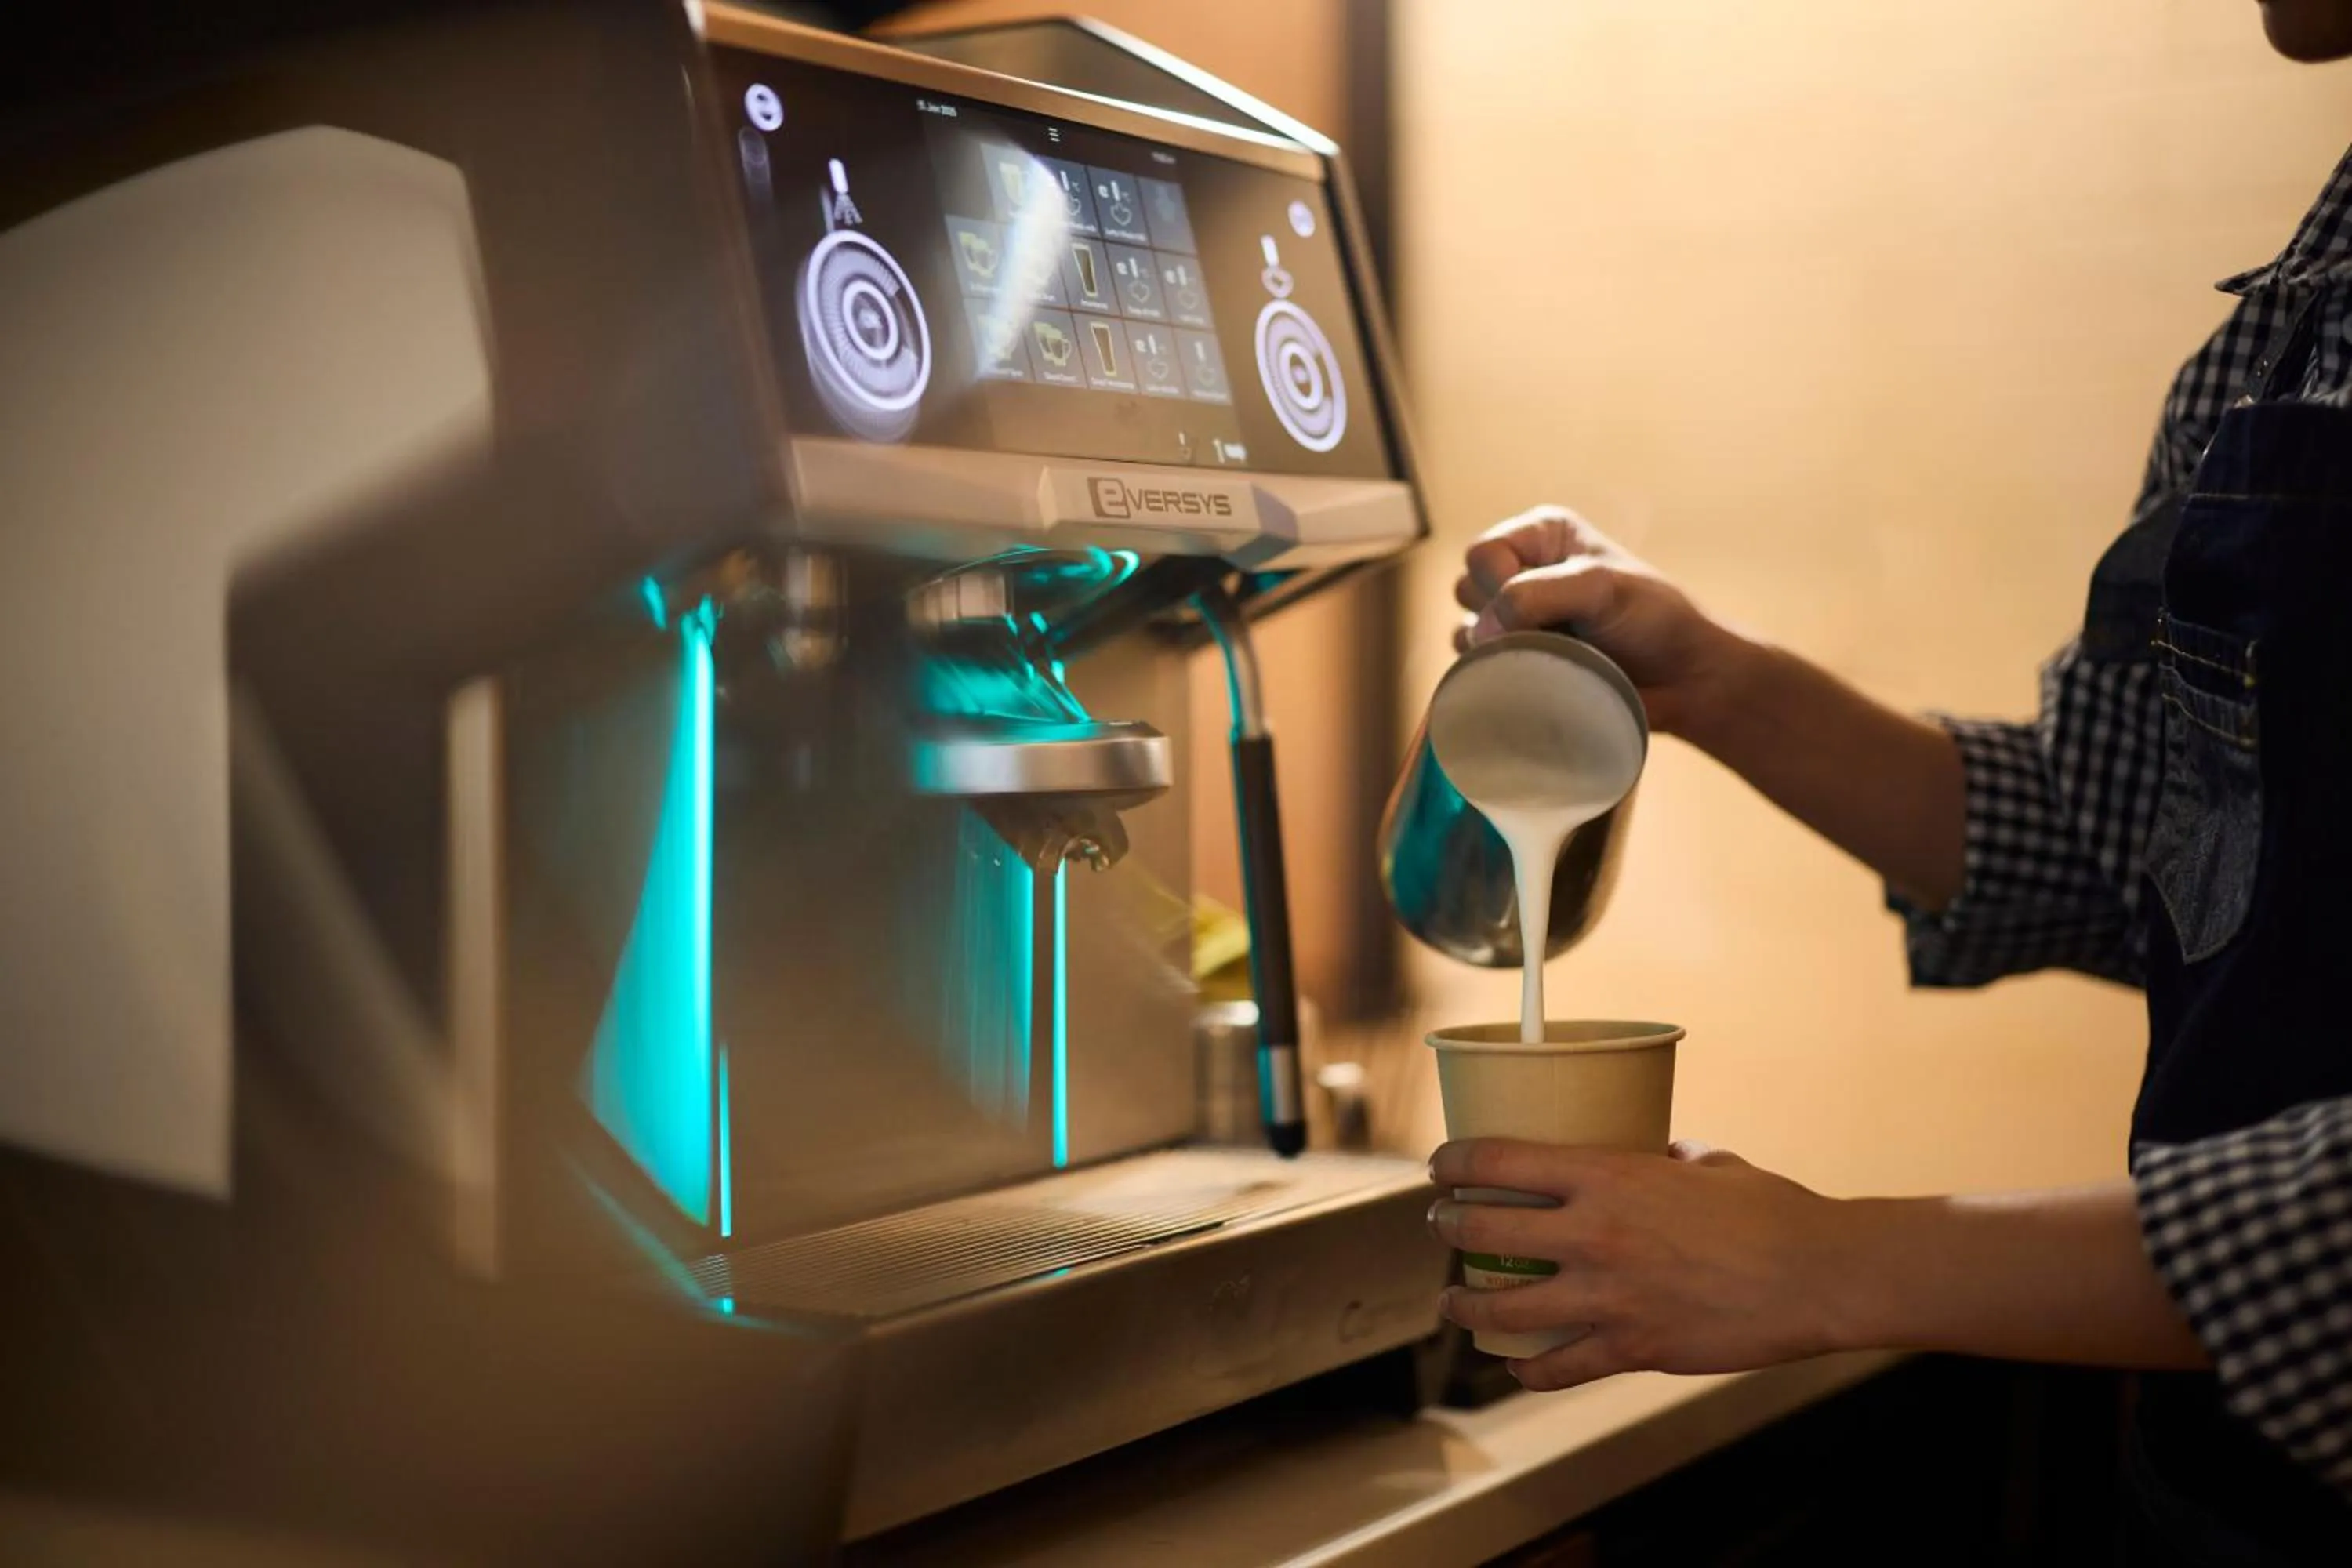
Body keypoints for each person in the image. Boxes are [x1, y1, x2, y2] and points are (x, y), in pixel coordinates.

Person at [1429, 3, 2352, 1560]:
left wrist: (1827, 1262)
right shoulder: (2295, 309)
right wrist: (1717, 679)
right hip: (2226, 1480)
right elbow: (2137, 843)